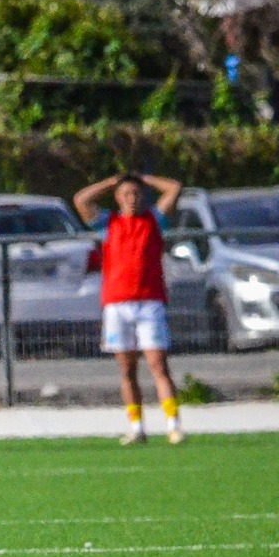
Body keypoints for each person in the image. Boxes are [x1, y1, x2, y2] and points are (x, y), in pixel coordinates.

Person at [74, 172, 185, 445]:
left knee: (158, 364)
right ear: (117, 197)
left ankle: (173, 425)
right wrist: (110, 182)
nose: (131, 198)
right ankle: (136, 427)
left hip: (149, 303)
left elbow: (174, 188)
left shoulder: (153, 220)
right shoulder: (108, 224)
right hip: (117, 304)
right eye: (126, 194)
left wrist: (145, 179)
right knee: (127, 369)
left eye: (136, 193)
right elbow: (81, 200)